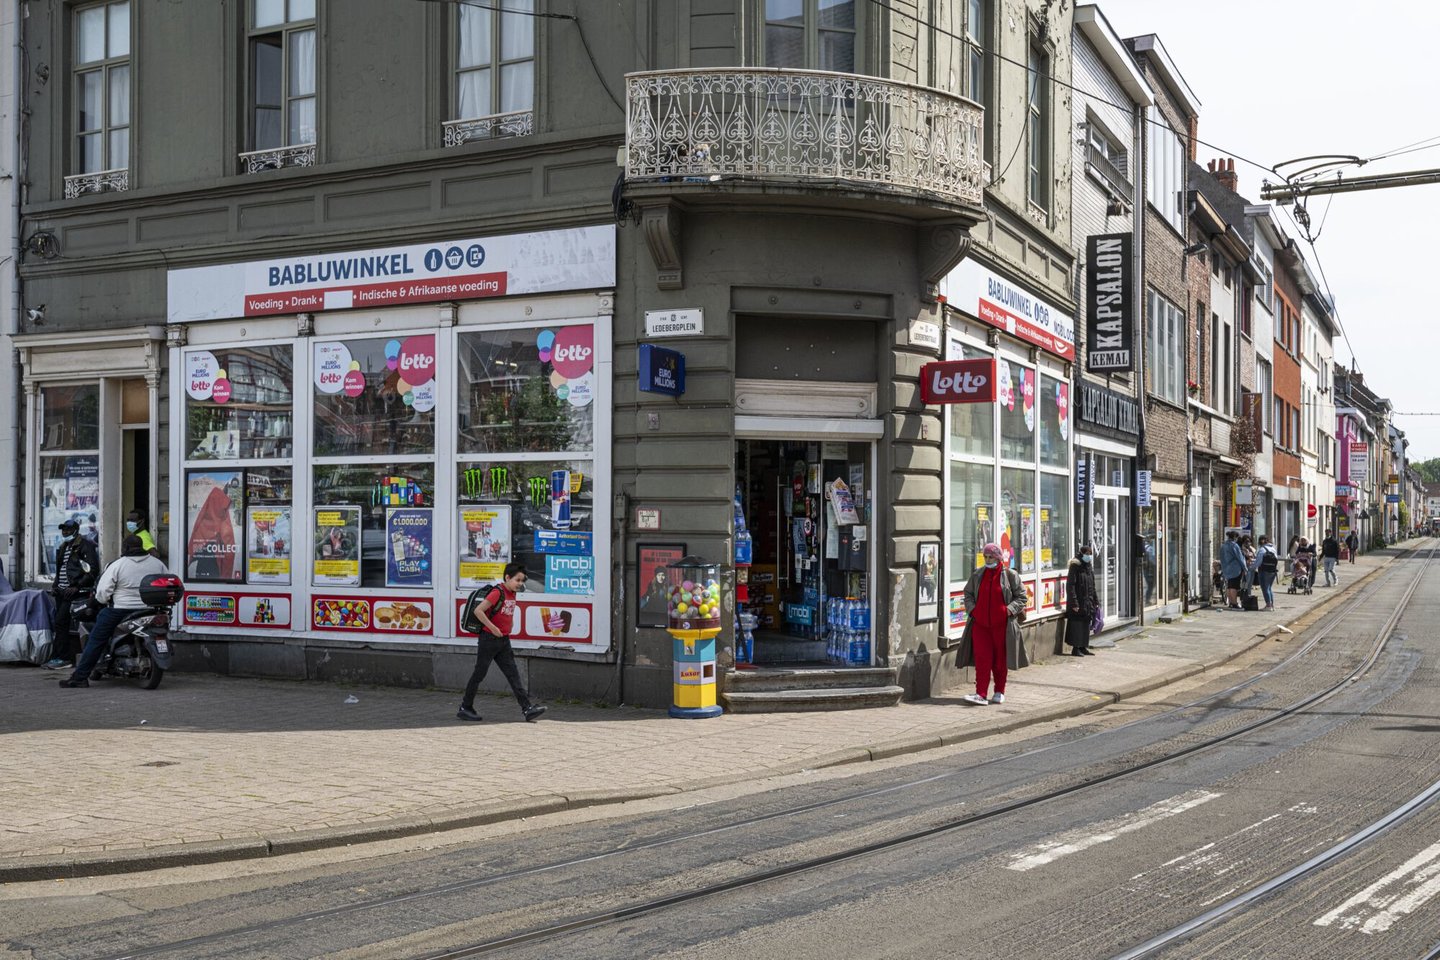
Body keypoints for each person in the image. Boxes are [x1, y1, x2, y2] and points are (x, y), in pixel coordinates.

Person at [58, 535, 169, 688]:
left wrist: (98, 601)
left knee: (96, 640)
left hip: (120, 611)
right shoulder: (158, 564)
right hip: (150, 610)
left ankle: (80, 677)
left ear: (126, 548)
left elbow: (103, 592)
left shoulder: (118, 565)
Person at [457, 562, 547, 723]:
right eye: (517, 580)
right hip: (489, 640)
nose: (520, 584)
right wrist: (492, 628)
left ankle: (527, 709)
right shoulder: (497, 592)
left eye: (522, 581)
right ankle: (465, 707)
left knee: (513, 675)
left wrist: (510, 624)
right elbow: (478, 611)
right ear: (507, 577)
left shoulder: (513, 593)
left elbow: (507, 611)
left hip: (503, 641)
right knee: (479, 674)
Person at [957, 543, 1030, 705]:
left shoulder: (1010, 575)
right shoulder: (978, 575)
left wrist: (1008, 610)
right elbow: (968, 594)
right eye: (985, 557)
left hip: (1002, 626)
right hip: (980, 626)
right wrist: (973, 610)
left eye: (991, 557)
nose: (988, 560)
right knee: (982, 660)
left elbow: (1022, 597)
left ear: (998, 558)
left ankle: (999, 691)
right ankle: (981, 694)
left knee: (999, 660)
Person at [43, 519, 101, 670]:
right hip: (62, 592)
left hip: (75, 592)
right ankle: (57, 657)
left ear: (75, 530)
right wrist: (56, 586)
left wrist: (77, 586)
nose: (65, 532)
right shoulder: (64, 546)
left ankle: (63, 658)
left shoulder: (85, 546)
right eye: (63, 530)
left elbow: (92, 570)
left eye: (68, 530)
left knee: (61, 622)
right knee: (60, 624)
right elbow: (61, 570)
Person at [1064, 544, 1099, 656]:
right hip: (1078, 601)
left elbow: (1092, 586)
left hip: (1088, 601)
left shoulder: (1088, 567)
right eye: (1087, 554)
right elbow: (1071, 585)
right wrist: (1074, 602)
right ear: (1082, 554)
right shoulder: (1075, 566)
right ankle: (1076, 648)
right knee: (1077, 625)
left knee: (1085, 624)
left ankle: (1083, 646)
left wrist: (1096, 601)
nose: (1089, 556)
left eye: (1090, 554)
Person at [1251, 535, 1279, 611]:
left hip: (1264, 571)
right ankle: (1271, 605)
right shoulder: (1273, 549)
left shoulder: (1262, 550)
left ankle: (1268, 605)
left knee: (1265, 588)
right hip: (1272, 571)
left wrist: (1251, 568)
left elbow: (1258, 562)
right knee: (1269, 588)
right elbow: (1276, 559)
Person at [1220, 530, 1246, 610]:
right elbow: (1240, 557)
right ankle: (1234, 604)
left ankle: (1231, 603)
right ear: (1235, 537)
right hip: (1235, 569)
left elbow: (1221, 557)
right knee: (1234, 586)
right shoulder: (1234, 545)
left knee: (1229, 586)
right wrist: (1245, 568)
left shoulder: (1223, 545)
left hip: (1226, 568)